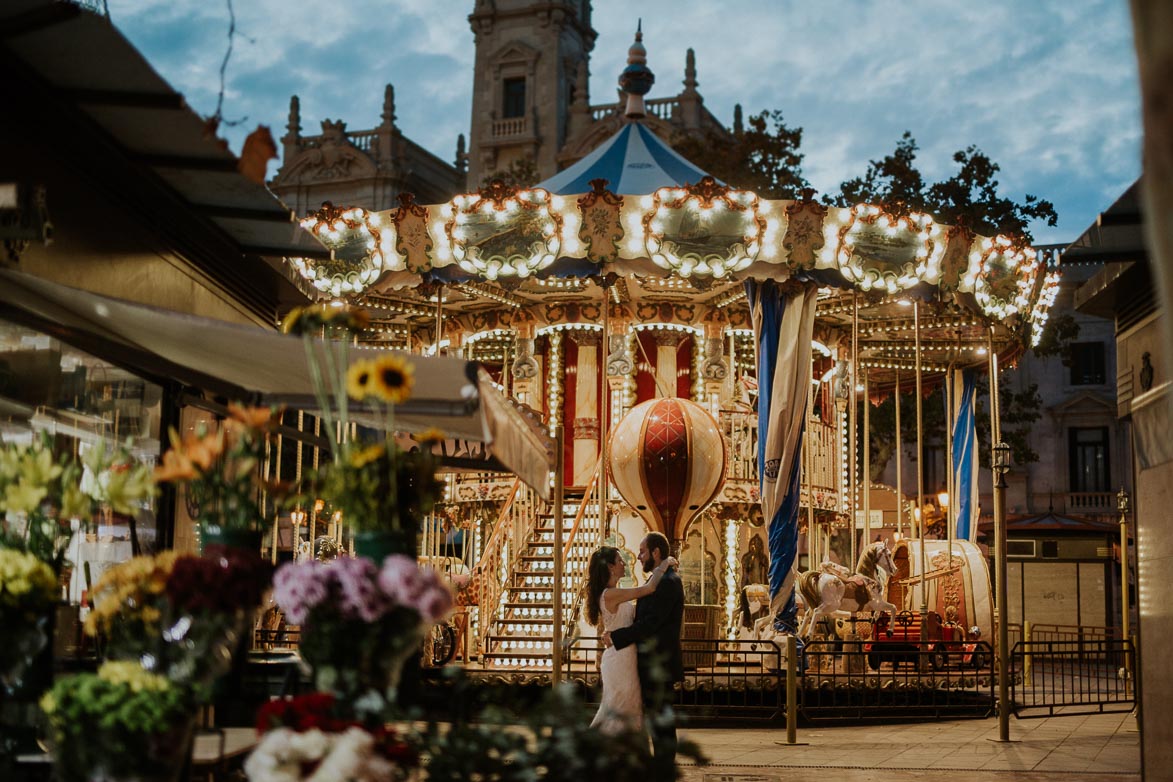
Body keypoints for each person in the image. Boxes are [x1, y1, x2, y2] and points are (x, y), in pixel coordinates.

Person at [602, 532, 685, 777]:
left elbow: (650, 624)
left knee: (661, 722)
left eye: (642, 551)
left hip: (659, 664)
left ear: (656, 552)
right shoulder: (659, 581)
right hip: (646, 663)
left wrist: (616, 637)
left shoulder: (668, 582)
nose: (638, 557)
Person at [585, 545, 677, 735]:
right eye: (620, 561)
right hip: (619, 658)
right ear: (610, 567)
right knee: (621, 708)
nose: (624, 563)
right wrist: (665, 563)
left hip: (626, 654)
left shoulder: (615, 592)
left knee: (629, 708)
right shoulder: (610, 594)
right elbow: (649, 588)